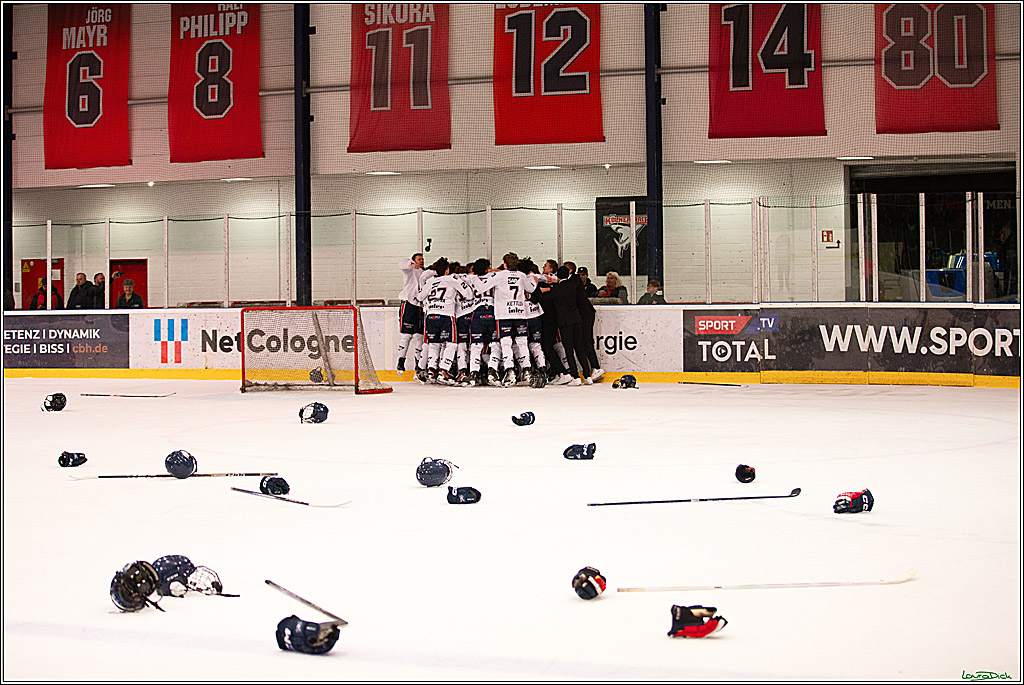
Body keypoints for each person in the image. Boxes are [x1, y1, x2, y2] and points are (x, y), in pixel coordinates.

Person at [533, 265, 592, 385]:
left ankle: (575, 376)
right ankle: (587, 375)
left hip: (565, 322)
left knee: (569, 349)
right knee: (579, 347)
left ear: (558, 276)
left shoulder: (558, 289)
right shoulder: (572, 285)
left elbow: (543, 297)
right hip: (577, 319)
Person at [395, 253, 425, 374]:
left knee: (419, 336)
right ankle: (401, 361)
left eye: (422, 259)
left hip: (420, 307)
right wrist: (410, 264)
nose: (421, 261)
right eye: (419, 259)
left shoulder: (424, 273)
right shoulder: (409, 270)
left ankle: (418, 364)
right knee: (406, 335)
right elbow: (401, 264)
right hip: (408, 305)